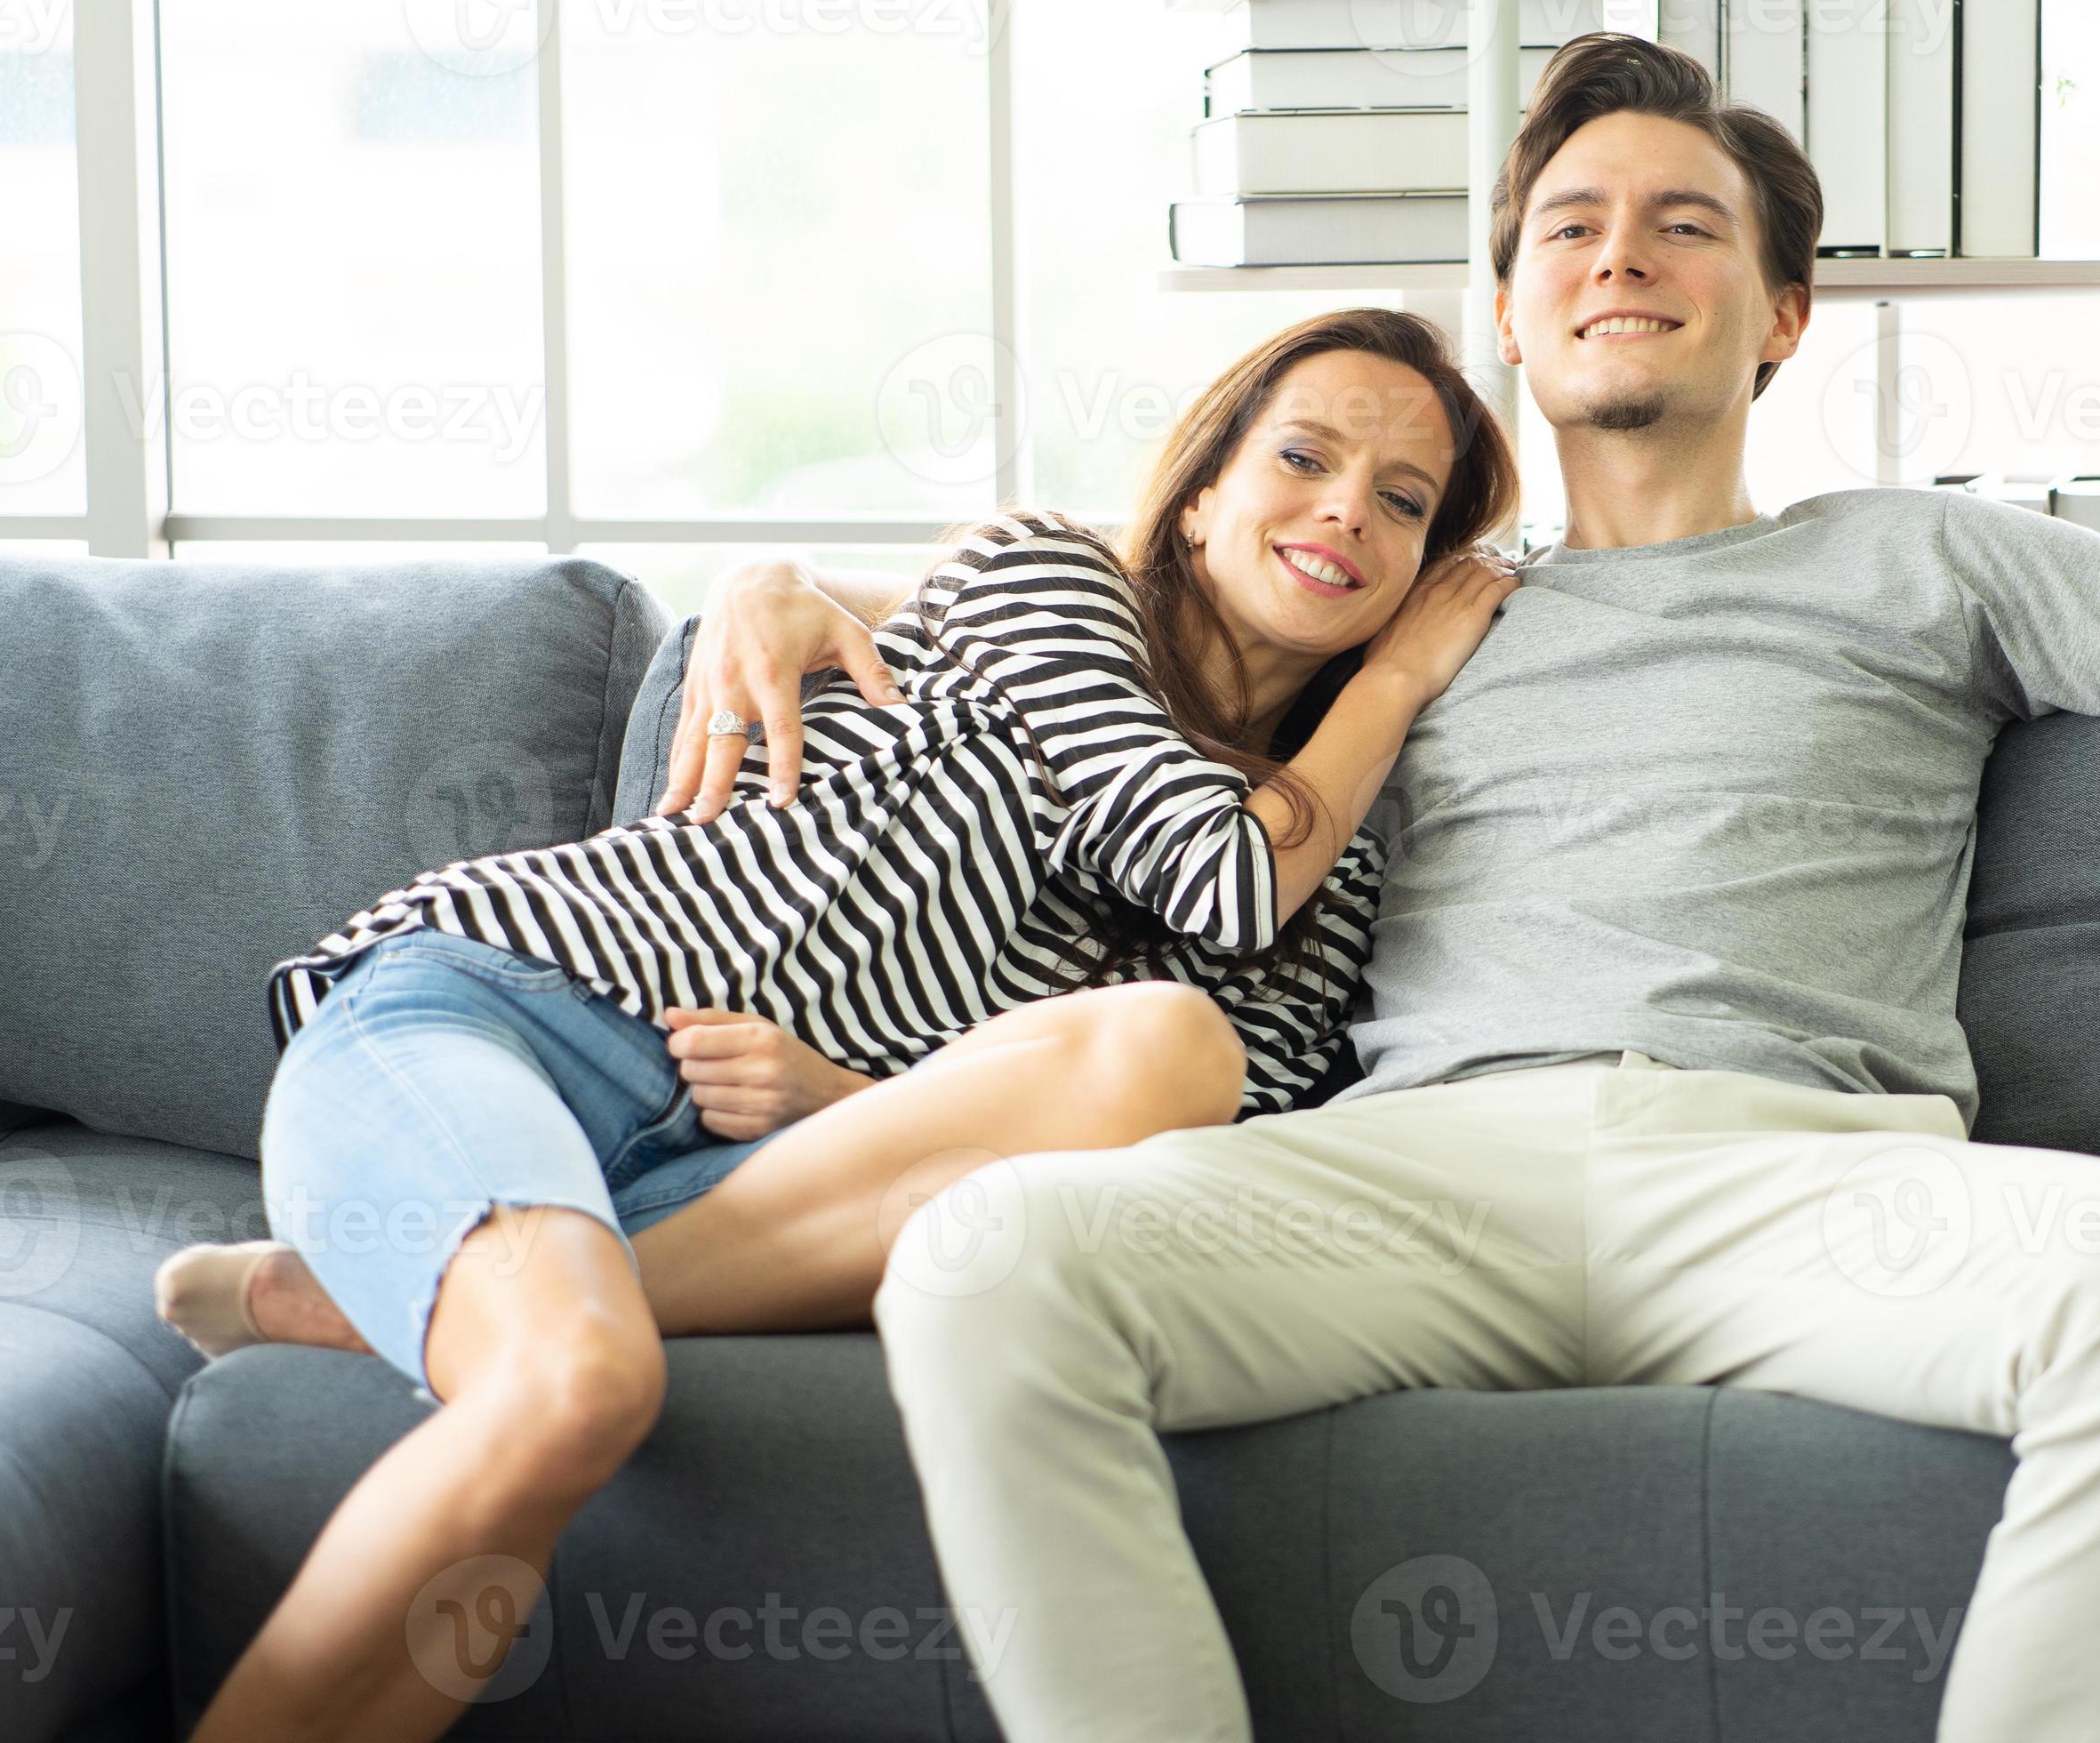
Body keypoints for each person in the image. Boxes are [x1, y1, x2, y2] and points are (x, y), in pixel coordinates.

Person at [706, 35, 2100, 1743]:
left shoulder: (1927, 555)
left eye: (1682, 223)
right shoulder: (1393, 594)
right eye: (1568, 226)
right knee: (981, 1258)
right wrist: (791, 588)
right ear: (1508, 311)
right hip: (1407, 1173)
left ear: (1782, 311)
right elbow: (1107, 608)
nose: (1615, 256)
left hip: (1803, 1174)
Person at [147, 307, 1523, 1743]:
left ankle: (424, 1286)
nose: (1345, 511)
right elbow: (1220, 873)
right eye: (1304, 456)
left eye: (1404, 502)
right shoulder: (1048, 577)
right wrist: (1397, 682)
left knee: (1177, 1049)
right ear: (1197, 501)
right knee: (577, 1386)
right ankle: (496, 1286)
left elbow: (1215, 1141)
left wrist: (856, 1097)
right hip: (522, 1014)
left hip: (775, 1178)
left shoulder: (1340, 857)